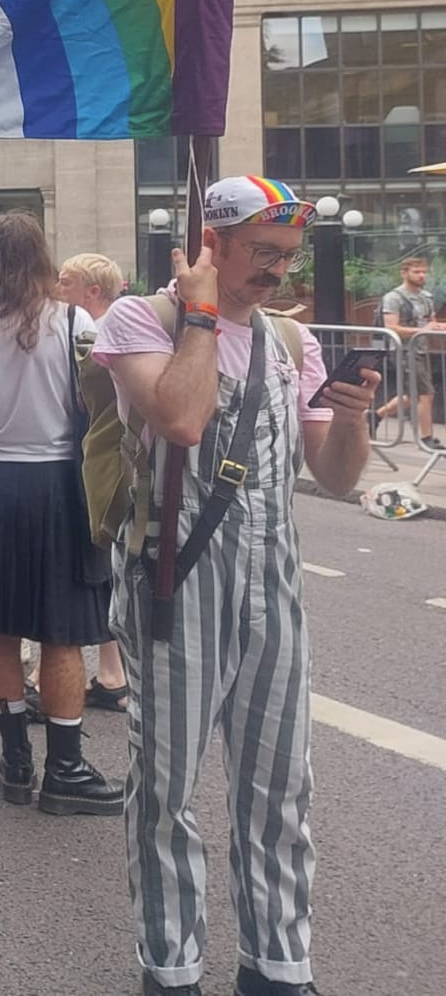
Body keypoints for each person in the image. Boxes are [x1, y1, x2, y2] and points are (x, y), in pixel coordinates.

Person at [95, 179, 372, 996]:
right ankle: (171, 968)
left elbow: (336, 478)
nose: (278, 274)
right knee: (166, 790)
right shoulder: (141, 320)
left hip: (274, 583)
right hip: (176, 581)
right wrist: (205, 316)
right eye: (263, 254)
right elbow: (180, 419)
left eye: (287, 258)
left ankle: (279, 967)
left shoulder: (292, 345)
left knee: (281, 788)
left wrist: (353, 416)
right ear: (212, 243)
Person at [0, 213, 122, 818]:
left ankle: (15, 760)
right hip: (59, 481)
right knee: (60, 629)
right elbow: (95, 400)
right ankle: (64, 768)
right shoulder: (72, 321)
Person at [52, 251, 132, 703]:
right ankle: (112, 671)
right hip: (103, 459)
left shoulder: (95, 334)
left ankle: (110, 673)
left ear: (92, 292)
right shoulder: (107, 330)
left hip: (98, 461)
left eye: (66, 282)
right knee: (103, 564)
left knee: (97, 563)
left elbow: (88, 406)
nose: (58, 289)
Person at [375, 254, 433, 445]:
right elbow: (391, 327)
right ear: (404, 273)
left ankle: (375, 416)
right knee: (425, 394)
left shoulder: (426, 297)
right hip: (403, 351)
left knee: (412, 395)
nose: (422, 276)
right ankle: (426, 438)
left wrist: (437, 327)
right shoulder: (393, 297)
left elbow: (430, 322)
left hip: (421, 350)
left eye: (424, 272)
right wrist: (422, 330)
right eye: (417, 272)